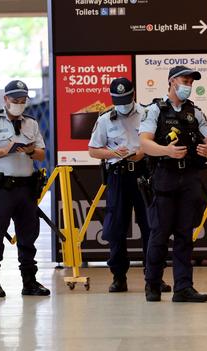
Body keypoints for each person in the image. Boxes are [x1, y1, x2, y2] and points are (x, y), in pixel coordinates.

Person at [139, 65, 207, 302]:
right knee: (159, 235)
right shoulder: (154, 110)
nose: (188, 85)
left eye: (191, 82)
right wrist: (166, 150)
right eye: (184, 80)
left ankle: (183, 287)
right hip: (165, 177)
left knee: (185, 235)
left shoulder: (196, 113)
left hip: (190, 180)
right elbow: (144, 143)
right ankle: (152, 284)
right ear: (172, 82)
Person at [88, 77, 170, 293]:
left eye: (125, 99)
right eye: (118, 100)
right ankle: (118, 276)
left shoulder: (146, 113)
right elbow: (93, 149)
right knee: (116, 227)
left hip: (143, 174)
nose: (122, 104)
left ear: (133, 95)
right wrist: (113, 153)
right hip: (118, 176)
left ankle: (154, 276)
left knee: (151, 226)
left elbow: (157, 142)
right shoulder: (106, 118)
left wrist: (142, 153)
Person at [0, 80, 50, 298]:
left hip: (26, 189)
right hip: (2, 188)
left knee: (28, 235)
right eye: (15, 100)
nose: (19, 104)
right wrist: (4, 151)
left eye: (23, 100)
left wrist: (30, 151)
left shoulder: (31, 124)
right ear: (5, 99)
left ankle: (29, 281)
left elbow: (42, 154)